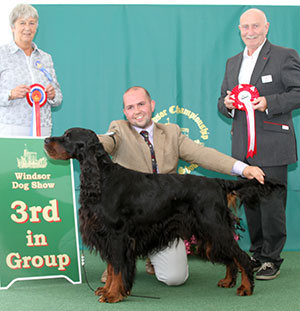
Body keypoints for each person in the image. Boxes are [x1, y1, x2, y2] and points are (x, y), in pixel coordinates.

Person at [99, 85, 265, 286]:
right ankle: (118, 263)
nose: (137, 111)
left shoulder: (171, 132)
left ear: (152, 105)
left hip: (165, 217)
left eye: (141, 104)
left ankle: (153, 257)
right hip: (132, 217)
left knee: (174, 278)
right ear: (125, 112)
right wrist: (91, 142)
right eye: (130, 107)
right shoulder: (119, 129)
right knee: (118, 234)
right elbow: (106, 142)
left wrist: (242, 169)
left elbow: (202, 154)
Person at [218, 8, 300, 280]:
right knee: (250, 202)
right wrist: (227, 104)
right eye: (245, 27)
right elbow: (222, 100)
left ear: (266, 27)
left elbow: (298, 91)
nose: (250, 32)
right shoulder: (232, 62)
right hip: (242, 145)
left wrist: (268, 103)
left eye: (255, 26)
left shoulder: (284, 55)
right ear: (239, 30)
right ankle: (256, 253)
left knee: (272, 203)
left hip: (273, 142)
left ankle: (272, 258)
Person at [0, 4, 62, 136]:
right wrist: (10, 94)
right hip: (11, 127)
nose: (27, 28)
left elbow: (58, 98)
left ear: (36, 27)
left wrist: (52, 95)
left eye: (32, 23)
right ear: (12, 27)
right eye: (22, 23)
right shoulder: (2, 54)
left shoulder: (46, 58)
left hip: (43, 128)